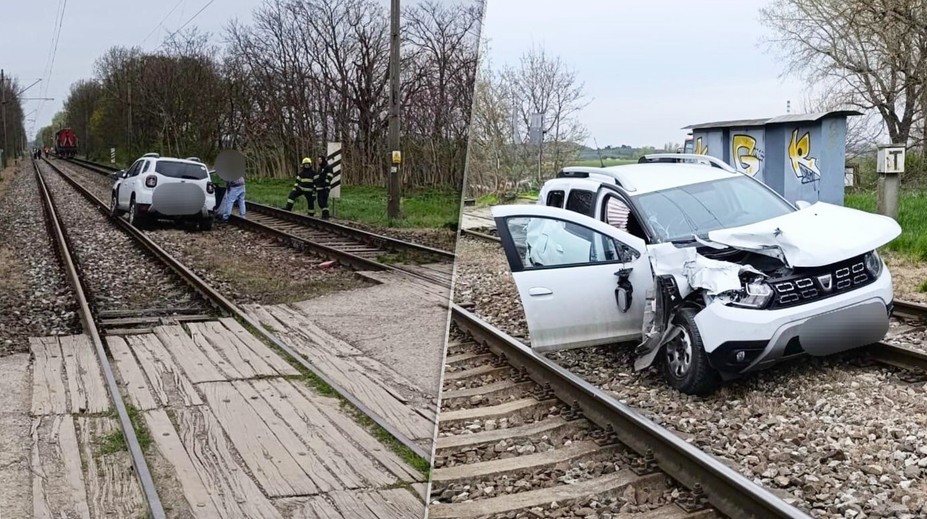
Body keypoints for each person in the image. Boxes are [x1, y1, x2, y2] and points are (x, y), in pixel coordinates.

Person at [315, 154, 335, 219]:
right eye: (318, 160)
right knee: (321, 203)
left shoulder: (328, 167)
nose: (319, 161)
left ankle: (325, 216)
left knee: (322, 202)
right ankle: (325, 215)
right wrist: (315, 185)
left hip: (325, 188)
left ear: (323, 160)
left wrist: (325, 184)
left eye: (320, 159)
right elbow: (317, 178)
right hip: (319, 188)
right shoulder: (320, 168)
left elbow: (330, 176)